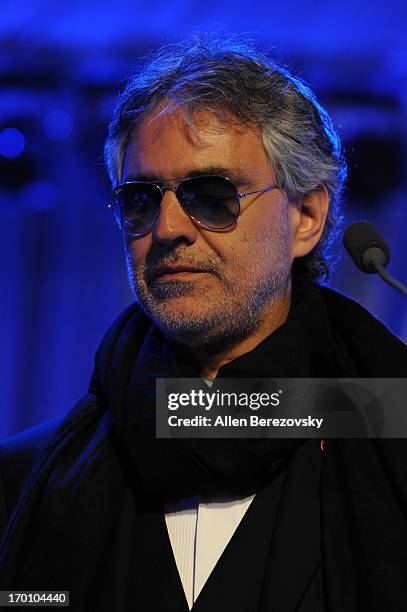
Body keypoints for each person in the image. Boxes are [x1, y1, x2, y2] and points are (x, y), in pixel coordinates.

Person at [1, 34, 407, 612]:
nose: (167, 228)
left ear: (307, 217)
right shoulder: (25, 482)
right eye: (141, 199)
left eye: (211, 195)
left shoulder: (390, 435)